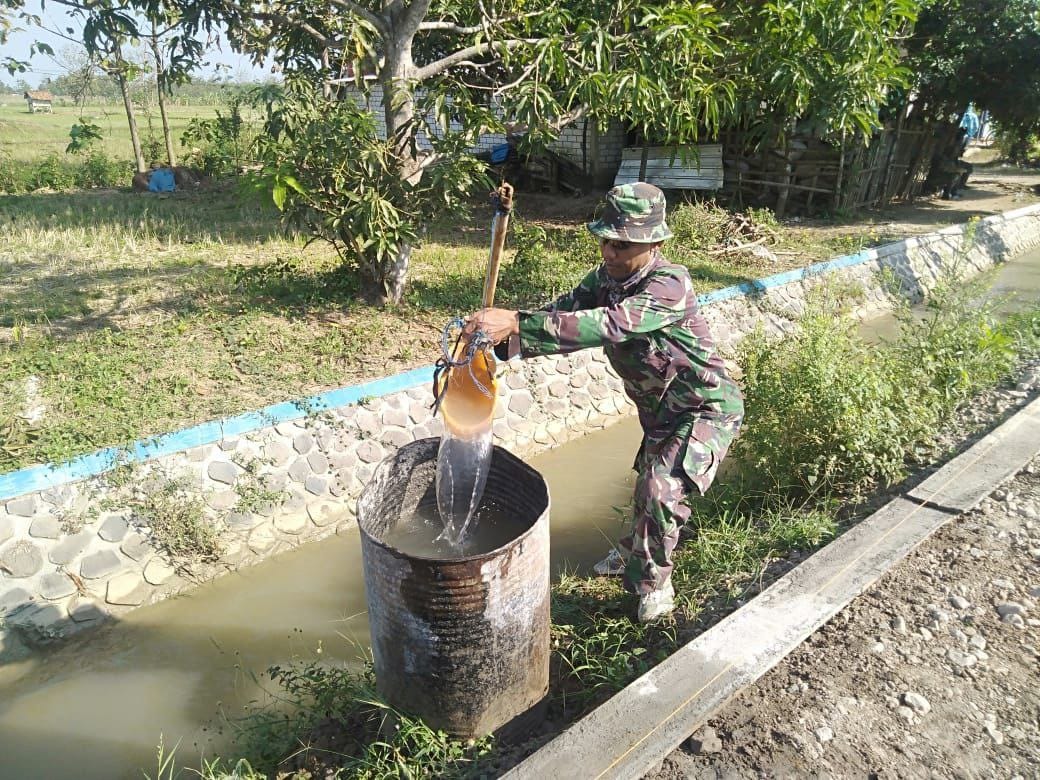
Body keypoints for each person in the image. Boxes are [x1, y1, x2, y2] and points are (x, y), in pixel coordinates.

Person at [464, 183, 744, 622]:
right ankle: (635, 550)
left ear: (654, 244)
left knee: (661, 488)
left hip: (704, 408)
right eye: (606, 240)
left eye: (622, 244)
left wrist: (517, 321)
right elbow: (562, 314)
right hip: (660, 412)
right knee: (647, 483)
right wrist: (500, 344)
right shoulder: (603, 280)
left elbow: (607, 325)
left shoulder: (670, 284)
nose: (609, 252)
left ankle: (653, 588)